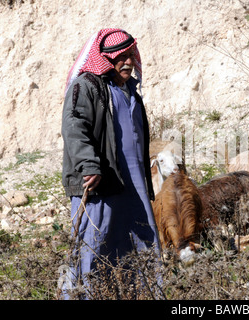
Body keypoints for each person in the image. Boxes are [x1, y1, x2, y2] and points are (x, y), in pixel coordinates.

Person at [61, 28, 161, 299]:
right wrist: (89, 165)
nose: (128, 61)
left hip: (134, 187)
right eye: (121, 57)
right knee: (93, 246)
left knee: (140, 244)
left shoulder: (131, 93)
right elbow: (74, 127)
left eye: (131, 55)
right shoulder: (87, 86)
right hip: (100, 184)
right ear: (106, 58)